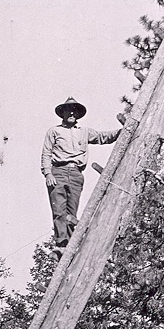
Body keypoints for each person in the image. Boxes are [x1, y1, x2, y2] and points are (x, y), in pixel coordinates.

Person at [42, 97, 120, 258]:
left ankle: (70, 246)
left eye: (74, 110)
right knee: (59, 210)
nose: (71, 113)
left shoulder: (84, 132)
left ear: (77, 114)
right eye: (68, 110)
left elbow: (102, 137)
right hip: (58, 172)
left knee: (71, 212)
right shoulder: (54, 131)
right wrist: (48, 173)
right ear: (62, 113)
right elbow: (46, 153)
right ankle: (61, 244)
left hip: (76, 173)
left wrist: (122, 132)